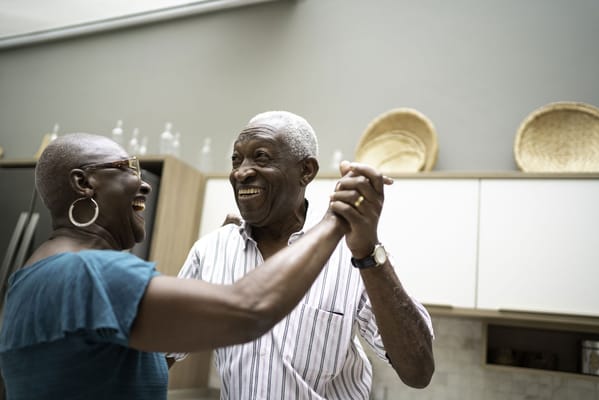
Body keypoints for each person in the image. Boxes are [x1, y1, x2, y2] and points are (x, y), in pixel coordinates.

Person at [0, 133, 364, 400]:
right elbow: (251, 310)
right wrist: (336, 220)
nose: (143, 184)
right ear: (83, 183)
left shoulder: (30, 276)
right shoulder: (92, 273)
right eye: (127, 169)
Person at [168, 111, 435, 399]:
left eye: (261, 157)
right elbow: (164, 351)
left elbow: (418, 371)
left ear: (306, 171)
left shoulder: (352, 254)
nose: (241, 172)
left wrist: (368, 253)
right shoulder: (211, 252)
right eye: (236, 159)